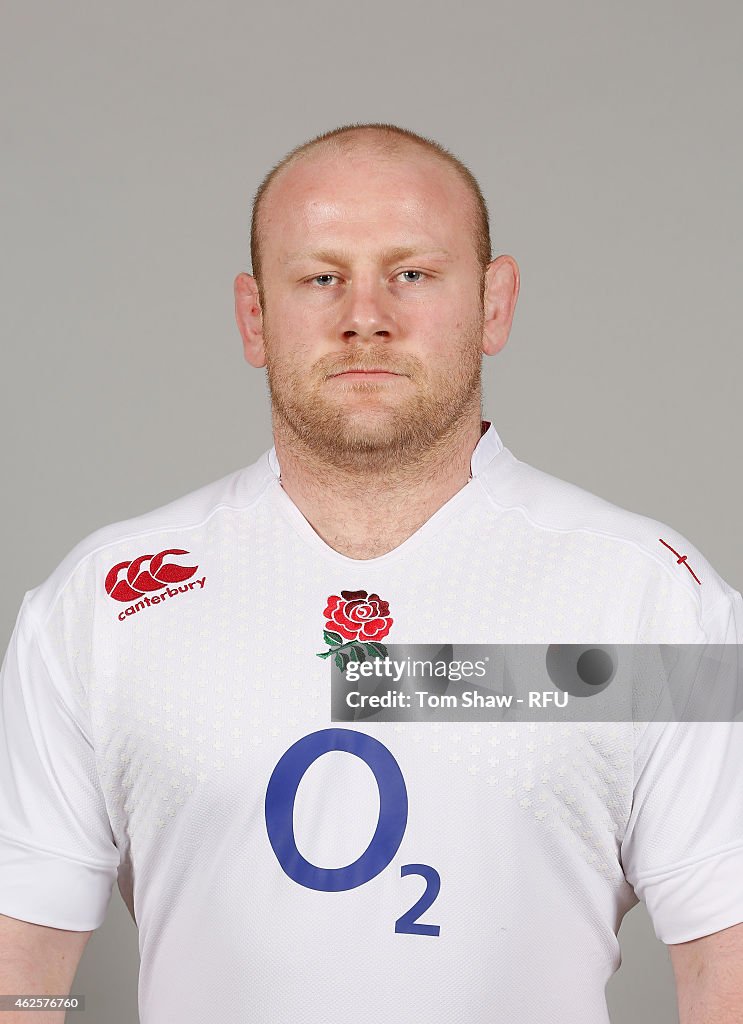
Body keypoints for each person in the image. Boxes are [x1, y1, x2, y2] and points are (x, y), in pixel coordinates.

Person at [0, 121, 741, 1024]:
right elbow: (20, 968)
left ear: (494, 303)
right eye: (320, 277)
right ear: (253, 317)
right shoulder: (103, 604)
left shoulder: (650, 600)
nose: (365, 315)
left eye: (412, 274)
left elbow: (725, 966)